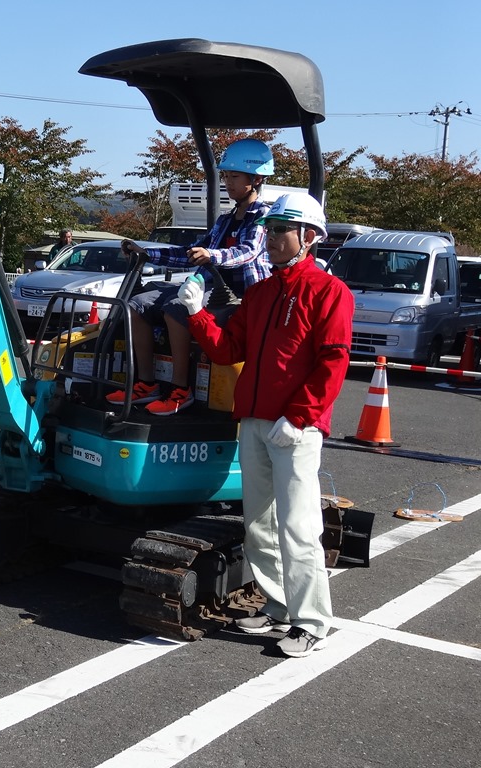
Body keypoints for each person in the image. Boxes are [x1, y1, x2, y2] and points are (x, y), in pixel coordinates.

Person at [177, 191, 354, 658]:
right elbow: (227, 351)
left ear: (309, 238)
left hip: (295, 427)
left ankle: (312, 621)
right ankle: (279, 608)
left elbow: (333, 362)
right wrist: (196, 314)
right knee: (259, 526)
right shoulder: (259, 293)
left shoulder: (329, 292)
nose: (270, 238)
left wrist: (300, 417)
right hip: (254, 421)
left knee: (298, 527)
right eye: (270, 230)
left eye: (281, 231)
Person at [107, 139, 274, 415]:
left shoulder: (263, 217)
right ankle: (147, 383)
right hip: (210, 287)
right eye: (226, 176)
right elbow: (189, 253)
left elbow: (248, 252)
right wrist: (147, 253)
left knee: (177, 308)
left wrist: (212, 256)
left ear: (256, 179)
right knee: (136, 304)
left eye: (235, 177)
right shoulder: (225, 220)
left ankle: (180, 390)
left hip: (240, 297)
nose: (228, 182)